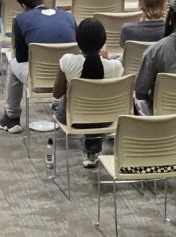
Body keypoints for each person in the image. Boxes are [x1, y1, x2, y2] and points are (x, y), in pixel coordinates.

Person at [0, 0, 78, 134]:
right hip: (69, 77)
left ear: (23, 5)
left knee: (13, 64)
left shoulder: (21, 20)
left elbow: (21, 58)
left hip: (40, 79)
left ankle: (11, 117)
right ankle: (60, 102)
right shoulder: (68, 16)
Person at [52, 17, 125, 167]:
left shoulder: (67, 61)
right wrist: (107, 59)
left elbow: (57, 93)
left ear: (78, 41)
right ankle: (91, 152)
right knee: (96, 107)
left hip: (73, 119)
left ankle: (90, 148)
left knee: (57, 104)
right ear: (103, 41)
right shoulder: (115, 67)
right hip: (107, 118)